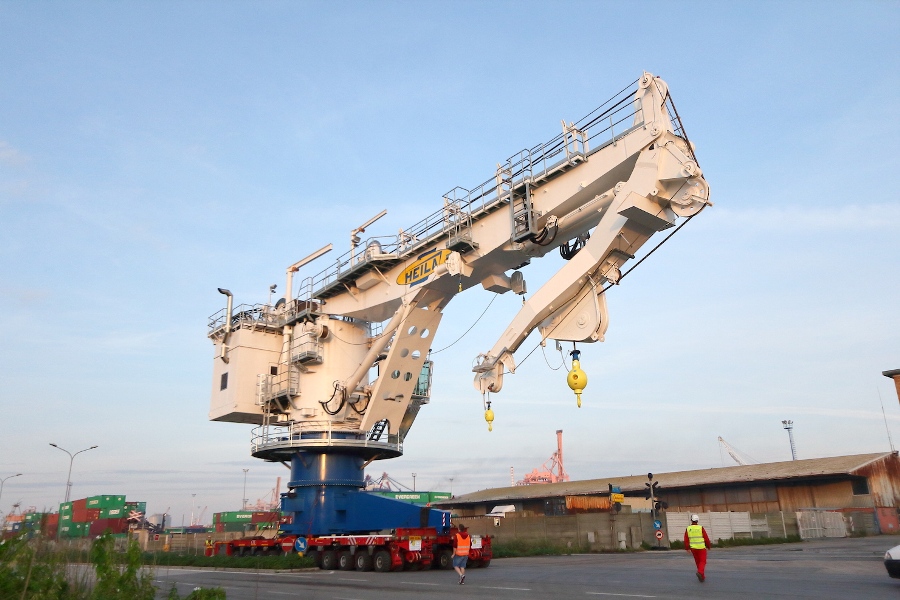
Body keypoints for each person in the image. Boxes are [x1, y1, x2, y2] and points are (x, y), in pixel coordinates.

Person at [683, 514, 712, 582]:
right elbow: (706, 538)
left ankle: (702, 576)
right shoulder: (700, 528)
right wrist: (708, 546)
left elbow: (686, 539)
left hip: (693, 548)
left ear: (691, 520)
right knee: (703, 561)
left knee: (698, 562)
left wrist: (687, 548)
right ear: (697, 520)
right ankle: (700, 572)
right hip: (701, 548)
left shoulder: (688, 528)